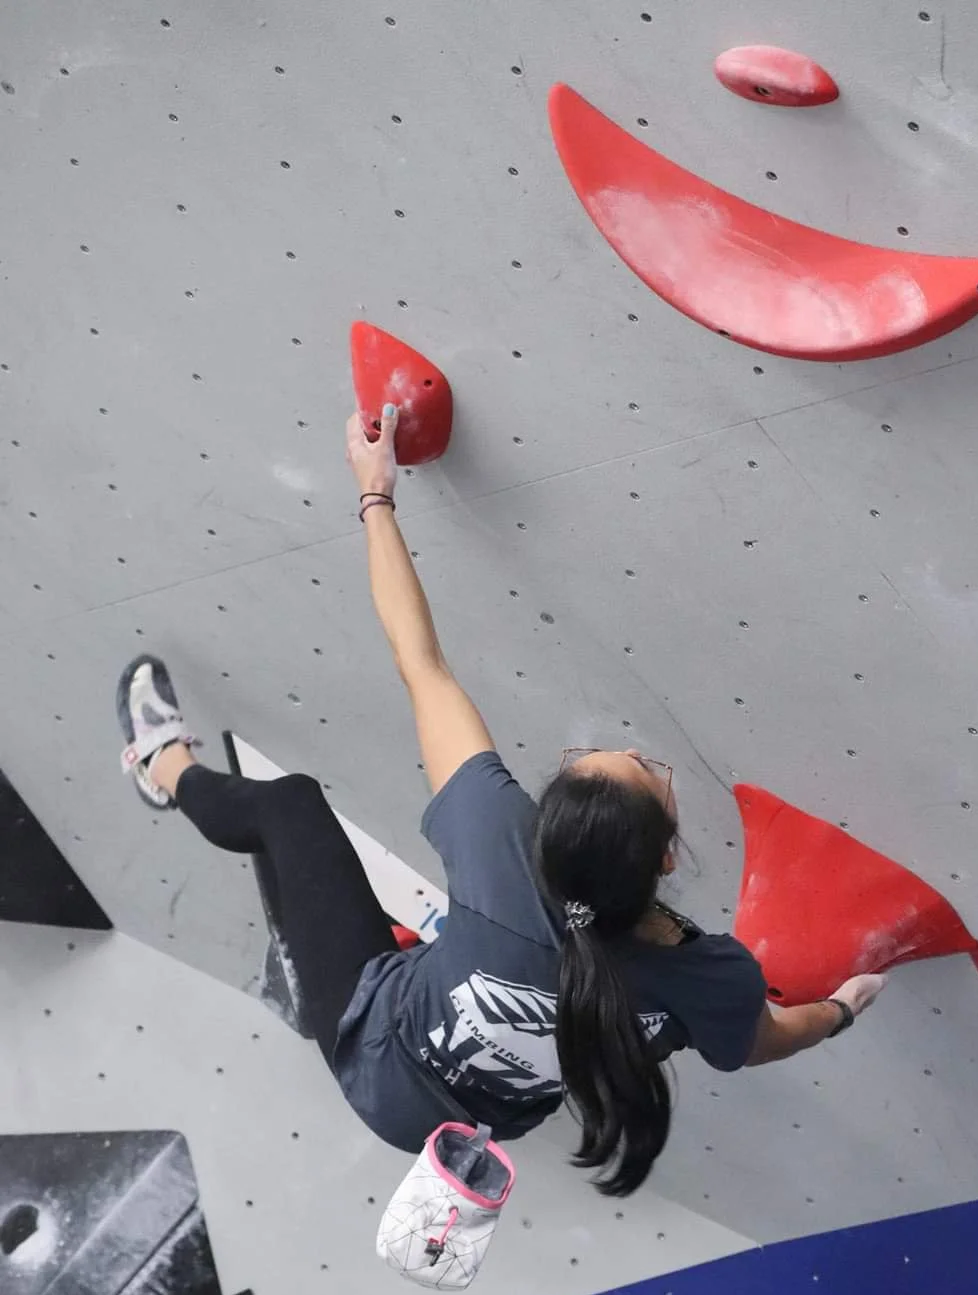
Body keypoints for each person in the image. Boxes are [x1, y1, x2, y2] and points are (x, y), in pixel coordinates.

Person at [116, 404, 886, 1196]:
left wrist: (375, 495)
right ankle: (211, 832)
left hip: (375, 1040)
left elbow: (421, 661)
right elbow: (764, 1041)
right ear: (664, 860)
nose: (630, 752)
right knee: (418, 930)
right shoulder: (710, 978)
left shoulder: (499, 841)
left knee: (290, 808)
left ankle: (161, 765)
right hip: (471, 1123)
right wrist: (843, 1010)